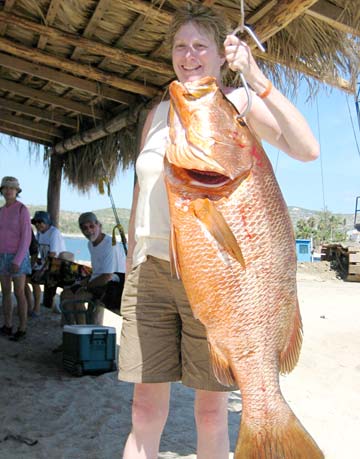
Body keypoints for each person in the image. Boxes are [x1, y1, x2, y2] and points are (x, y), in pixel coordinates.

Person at [118, 4, 320, 459]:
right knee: (143, 411)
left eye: (199, 46)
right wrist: (131, 262)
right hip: (149, 275)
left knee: (211, 414)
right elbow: (140, 192)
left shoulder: (239, 103)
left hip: (214, 285)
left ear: (220, 54)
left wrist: (256, 74)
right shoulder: (159, 112)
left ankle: (268, 418)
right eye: (179, 46)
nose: (189, 56)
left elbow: (307, 148)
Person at [60, 212, 126, 325]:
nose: (89, 230)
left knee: (77, 298)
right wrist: (83, 282)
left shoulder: (109, 244)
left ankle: (82, 334)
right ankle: (71, 330)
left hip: (113, 286)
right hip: (99, 282)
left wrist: (85, 286)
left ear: (99, 225)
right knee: (64, 295)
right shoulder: (90, 244)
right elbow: (97, 272)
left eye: (91, 226)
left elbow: (107, 276)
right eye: (84, 228)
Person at [0, 176, 32, 342]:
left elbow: (26, 237)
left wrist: (17, 260)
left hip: (18, 256)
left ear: (17, 191)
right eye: (5, 187)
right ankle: (7, 325)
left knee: (19, 292)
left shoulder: (22, 209)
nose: (8, 190)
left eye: (11, 188)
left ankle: (22, 328)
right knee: (5, 292)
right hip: (2, 256)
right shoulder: (1, 210)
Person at [30, 210, 66, 310]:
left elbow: (52, 255)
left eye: (40, 222)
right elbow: (36, 251)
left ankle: (42, 306)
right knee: (29, 275)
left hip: (58, 264)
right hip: (47, 263)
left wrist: (41, 271)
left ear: (46, 222)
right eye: (35, 222)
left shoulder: (54, 232)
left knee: (37, 278)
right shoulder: (39, 233)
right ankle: (39, 304)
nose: (37, 224)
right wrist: (32, 264)